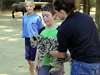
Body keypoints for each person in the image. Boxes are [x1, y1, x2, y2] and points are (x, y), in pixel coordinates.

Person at [49, 0, 100, 75]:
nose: (56, 15)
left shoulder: (64, 28)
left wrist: (49, 51)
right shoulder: (86, 17)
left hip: (82, 65)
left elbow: (62, 54)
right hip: (97, 63)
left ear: (62, 11)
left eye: (56, 12)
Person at [31, 4, 67, 75]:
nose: (44, 18)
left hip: (56, 65)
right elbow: (39, 48)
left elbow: (63, 50)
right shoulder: (41, 31)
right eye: (43, 16)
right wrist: (36, 63)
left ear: (54, 16)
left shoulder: (60, 30)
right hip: (44, 64)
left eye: (47, 16)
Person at [22, 1, 43, 75]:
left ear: (34, 6)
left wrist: (40, 40)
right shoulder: (24, 16)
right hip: (27, 39)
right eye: (27, 6)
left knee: (33, 60)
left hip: (34, 39)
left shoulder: (37, 17)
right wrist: (24, 35)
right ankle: (32, 73)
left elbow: (41, 29)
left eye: (30, 6)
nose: (28, 8)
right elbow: (24, 26)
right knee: (28, 59)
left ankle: (36, 72)